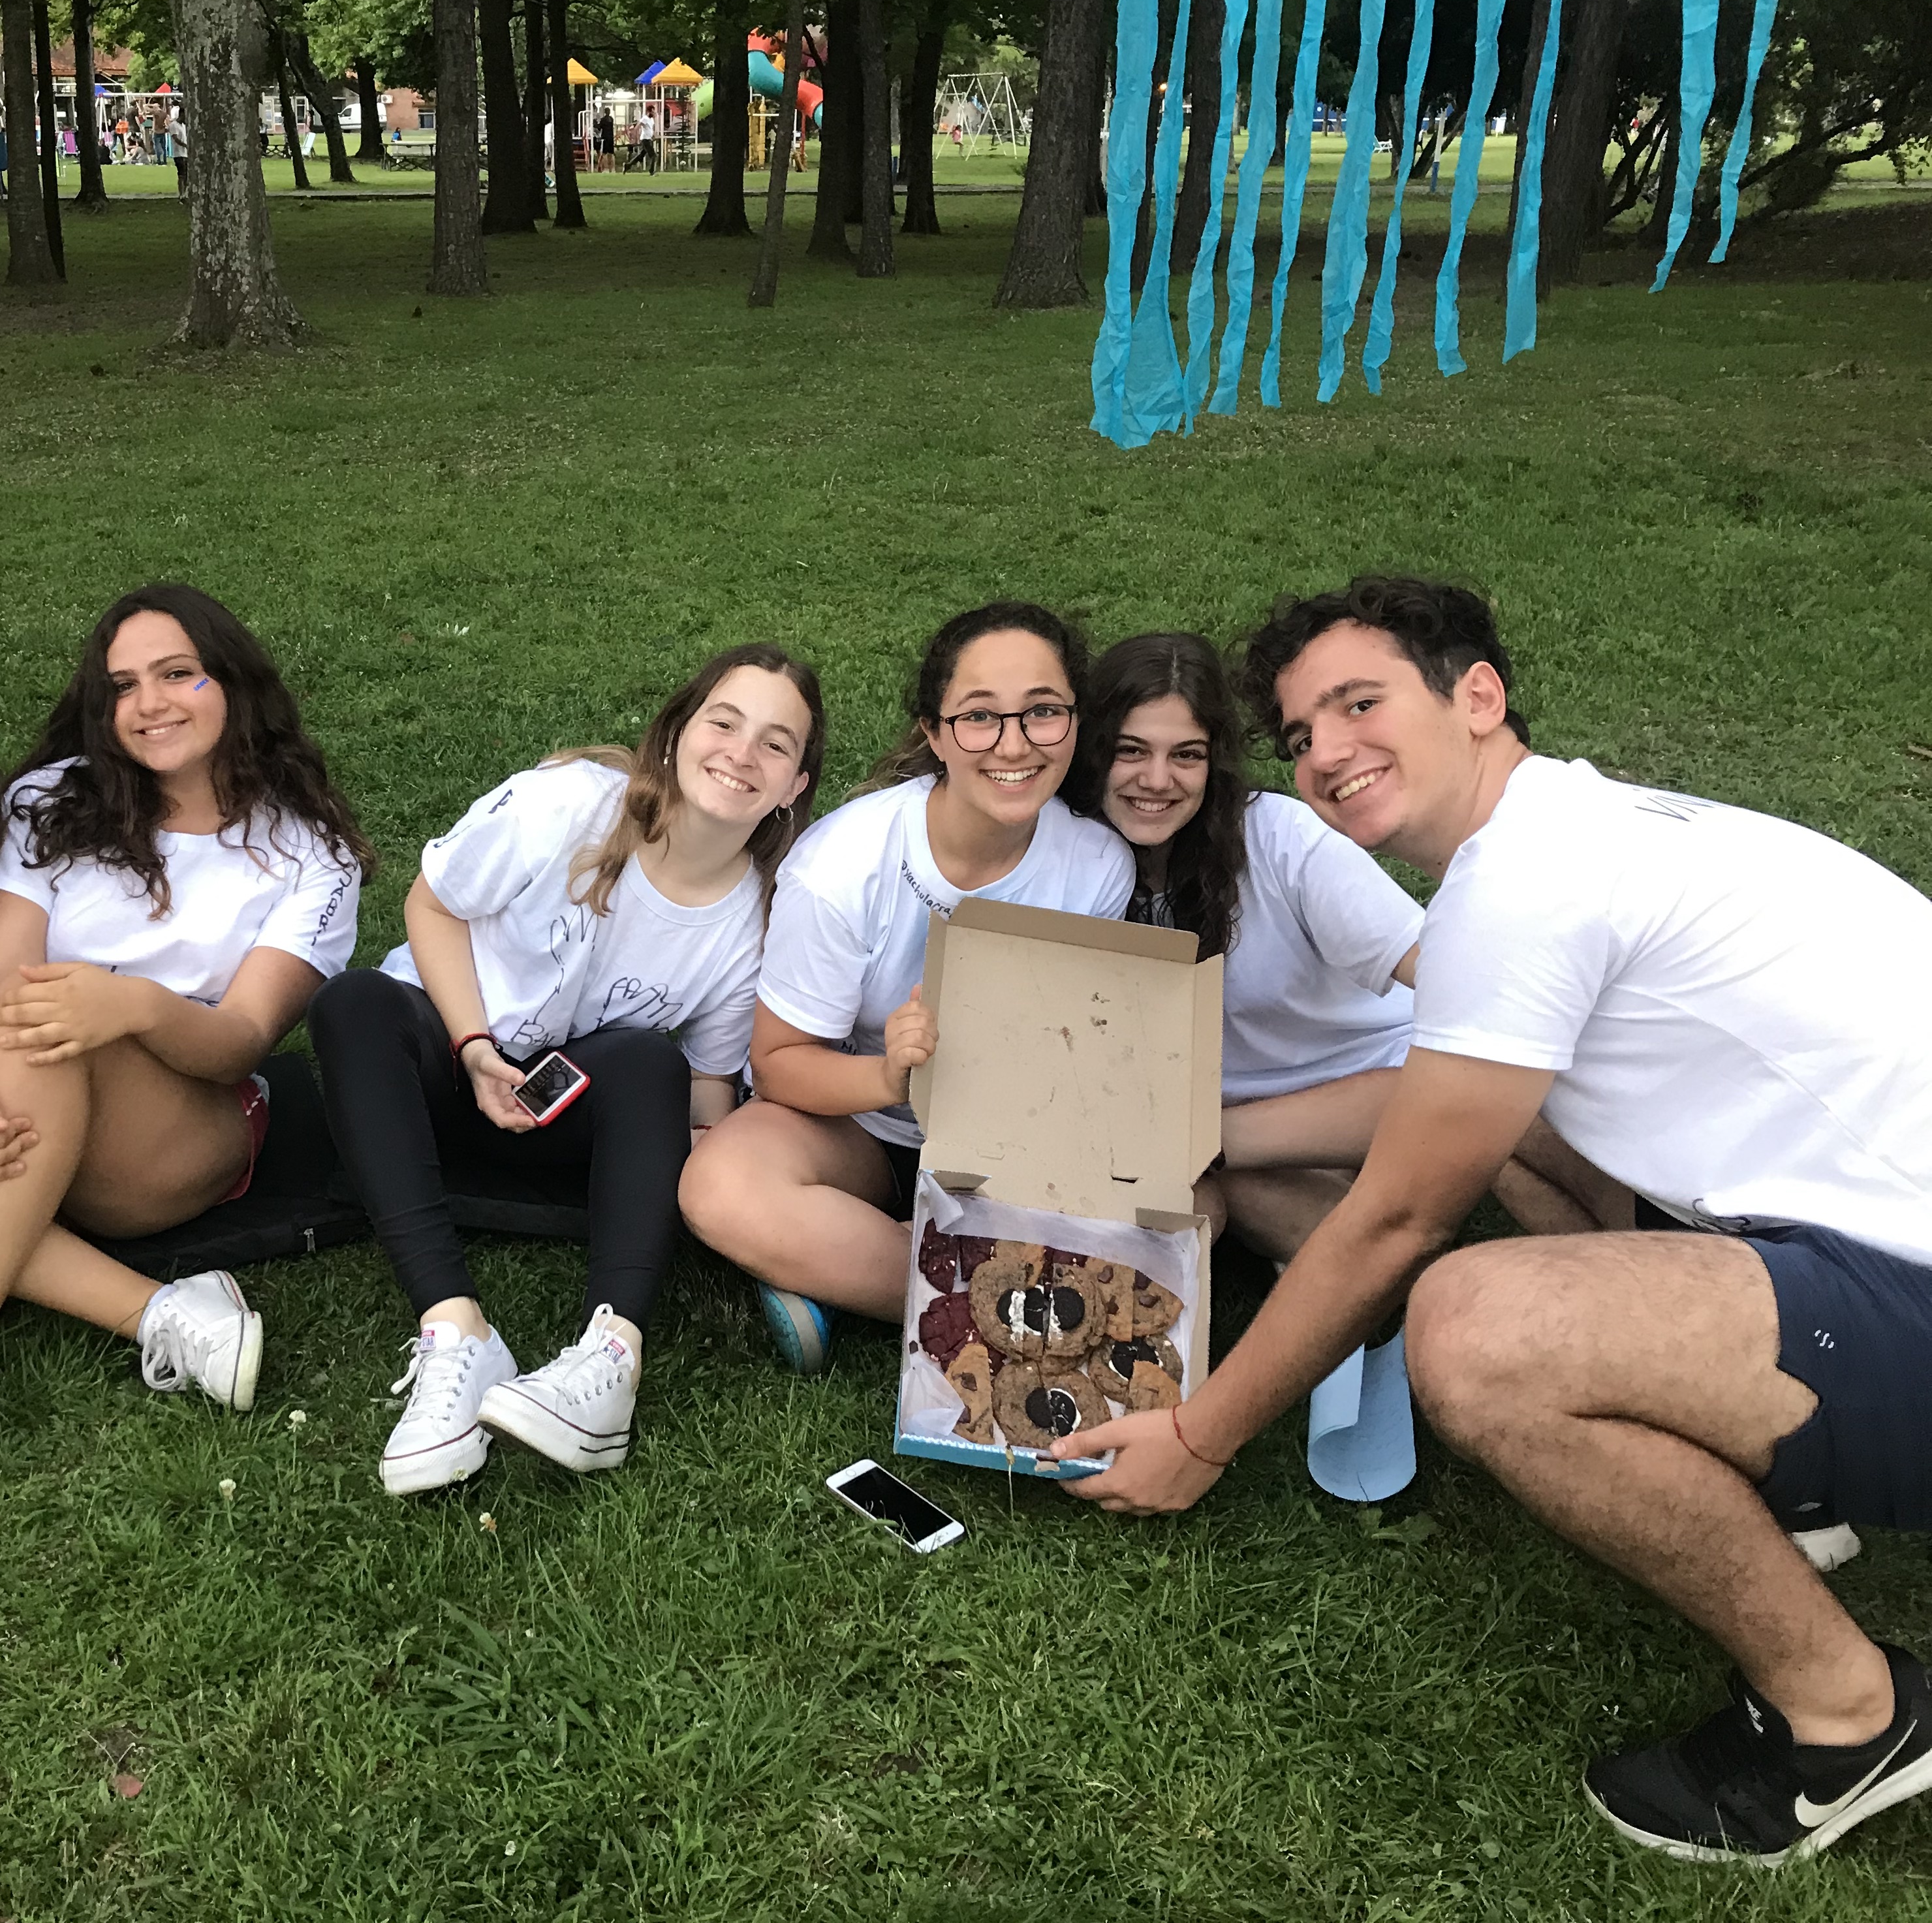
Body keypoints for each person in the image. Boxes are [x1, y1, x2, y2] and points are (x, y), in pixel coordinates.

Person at [1060, 576, 1932, 1865]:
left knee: (1473, 1324)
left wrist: (1202, 1432)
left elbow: (1401, 1218)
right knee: (1519, 1129)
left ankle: (1848, 1721)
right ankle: (1780, 1466)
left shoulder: (1523, 887)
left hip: (1904, 1273)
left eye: (1362, 704)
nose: (1329, 754)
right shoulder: (1582, 826)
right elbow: (1458, 1112)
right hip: (1855, 1228)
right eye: (1302, 735)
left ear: (1479, 695)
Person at [0, 585, 372, 1550]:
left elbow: (244, 1038)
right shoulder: (52, 802)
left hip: (179, 1133)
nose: (151, 703)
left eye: (178, 674)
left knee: (42, 1016)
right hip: (26, 1104)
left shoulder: (312, 854)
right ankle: (161, 1315)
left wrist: (128, 1004)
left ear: (233, 683)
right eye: (124, 685)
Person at [312, 645, 824, 1496]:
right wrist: (474, 1047)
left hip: (557, 1109)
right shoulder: (566, 807)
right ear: (677, 733)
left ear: (796, 785)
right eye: (724, 723)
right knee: (352, 1003)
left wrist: (730, 1196)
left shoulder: (754, 919)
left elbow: (707, 1086)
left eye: (776, 744)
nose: (742, 753)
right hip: (442, 1057)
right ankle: (455, 1330)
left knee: (648, 1064)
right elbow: (431, 903)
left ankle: (610, 1359)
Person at [1059, 631, 1628, 1263]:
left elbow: (1443, 973)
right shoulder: (1066, 861)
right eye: (1131, 751)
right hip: (1244, 1133)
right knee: (1266, 1207)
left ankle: (1645, 1257)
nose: (1157, 780)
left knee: (1508, 1104)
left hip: (1378, 1084)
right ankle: (1413, 1259)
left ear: (1214, 762)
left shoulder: (1279, 839)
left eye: (1186, 755)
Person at [679, 603, 1134, 1369]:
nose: (1014, 744)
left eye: (1044, 713)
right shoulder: (843, 866)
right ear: (934, 732)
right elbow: (781, 1062)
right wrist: (887, 1074)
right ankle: (1009, 1310)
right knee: (720, 1183)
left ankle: (837, 1269)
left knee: (1168, 1193)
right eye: (980, 717)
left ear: (1076, 721)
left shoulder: (1095, 865)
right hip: (864, 1127)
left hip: (1014, 1143)